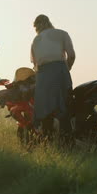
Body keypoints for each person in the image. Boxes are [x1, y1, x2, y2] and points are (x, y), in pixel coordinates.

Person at [30, 14, 76, 143]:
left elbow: (35, 64)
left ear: (36, 27)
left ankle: (49, 143)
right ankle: (68, 142)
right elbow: (71, 55)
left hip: (43, 76)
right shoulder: (62, 33)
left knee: (45, 111)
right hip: (60, 70)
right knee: (64, 107)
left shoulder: (36, 40)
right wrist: (67, 69)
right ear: (49, 22)